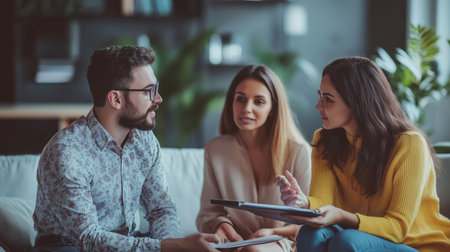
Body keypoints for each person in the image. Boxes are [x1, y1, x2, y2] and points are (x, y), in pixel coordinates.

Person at [32, 45, 220, 252]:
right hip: (69, 247)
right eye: (149, 91)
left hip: (128, 243)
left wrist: (174, 247)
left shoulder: (144, 140)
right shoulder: (67, 153)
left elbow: (161, 209)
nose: (158, 99)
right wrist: (168, 247)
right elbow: (89, 239)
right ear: (116, 99)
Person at [276, 56, 450, 252]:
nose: (319, 106)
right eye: (320, 97)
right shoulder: (324, 139)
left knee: (348, 241)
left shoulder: (409, 144)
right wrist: (304, 202)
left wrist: (342, 216)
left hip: (417, 246)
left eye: (328, 100)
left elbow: (397, 229)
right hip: (355, 238)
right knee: (310, 233)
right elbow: (323, 203)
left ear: (357, 101)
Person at [196, 65, 311, 252]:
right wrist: (222, 226)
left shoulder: (299, 152)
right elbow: (208, 214)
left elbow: (312, 220)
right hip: (235, 243)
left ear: (272, 108)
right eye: (240, 99)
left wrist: (275, 232)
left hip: (286, 242)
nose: (246, 108)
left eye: (258, 102)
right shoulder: (215, 150)